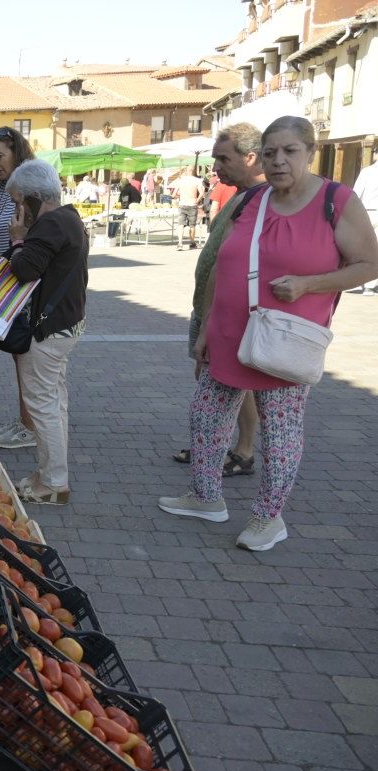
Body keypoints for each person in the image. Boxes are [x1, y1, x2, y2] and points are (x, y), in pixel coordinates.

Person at [160, 116, 378, 551]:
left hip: (284, 341)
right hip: (227, 332)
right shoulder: (253, 200)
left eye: (290, 151)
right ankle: (205, 497)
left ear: (310, 152)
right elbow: (224, 264)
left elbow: (369, 265)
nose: (279, 161)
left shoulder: (336, 200)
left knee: (280, 432)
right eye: (270, 152)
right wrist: (205, 327)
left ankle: (268, 519)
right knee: (206, 417)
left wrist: (307, 284)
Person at [172, 122, 265, 476]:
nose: (216, 168)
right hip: (210, 307)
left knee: (231, 385)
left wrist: (212, 321)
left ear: (251, 157)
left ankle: (239, 450)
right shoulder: (242, 194)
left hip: (227, 312)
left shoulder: (262, 198)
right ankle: (214, 444)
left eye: (223, 159)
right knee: (218, 384)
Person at [4, 160, 89, 505]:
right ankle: (50, 474)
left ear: (30, 198)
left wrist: (18, 239)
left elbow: (24, 269)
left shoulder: (50, 224)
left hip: (49, 330)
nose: (16, 210)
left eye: (17, 202)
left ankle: (54, 483)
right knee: (55, 403)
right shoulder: (69, 218)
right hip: (65, 325)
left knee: (42, 406)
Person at [0, 126, 39, 450]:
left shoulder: (28, 187)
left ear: (17, 152)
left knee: (25, 354)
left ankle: (30, 427)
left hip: (22, 278)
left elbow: (30, 234)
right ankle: (24, 421)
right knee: (18, 355)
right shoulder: (4, 187)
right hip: (6, 275)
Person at [351, 148, 378, 295]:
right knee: (375, 250)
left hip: (366, 211)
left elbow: (356, 193)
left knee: (358, 247)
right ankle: (370, 286)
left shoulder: (367, 172)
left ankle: (355, 283)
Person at [174, 167, 206, 250]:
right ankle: (192, 243)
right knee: (192, 226)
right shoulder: (197, 180)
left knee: (180, 225)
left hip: (182, 204)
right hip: (192, 204)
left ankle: (180, 244)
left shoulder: (180, 180)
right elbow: (202, 192)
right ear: (193, 171)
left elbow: (173, 195)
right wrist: (197, 200)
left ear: (186, 171)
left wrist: (180, 197)